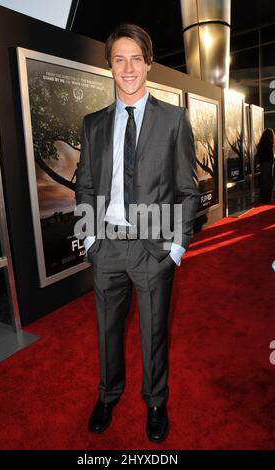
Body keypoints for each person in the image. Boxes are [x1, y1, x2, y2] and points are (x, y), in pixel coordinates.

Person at [75, 23, 199, 442]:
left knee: (154, 333)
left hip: (154, 248)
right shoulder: (92, 124)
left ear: (148, 63)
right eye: (118, 59)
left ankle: (156, 402)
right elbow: (85, 188)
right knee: (106, 330)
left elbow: (187, 189)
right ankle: (107, 395)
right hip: (106, 246)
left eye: (135, 58)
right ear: (109, 66)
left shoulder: (174, 120)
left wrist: (177, 248)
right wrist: (90, 241)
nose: (128, 68)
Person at [257, 128, 275, 204]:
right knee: (268, 181)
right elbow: (271, 155)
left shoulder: (260, 144)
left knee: (264, 181)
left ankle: (262, 198)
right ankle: (267, 199)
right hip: (268, 164)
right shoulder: (270, 144)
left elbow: (258, 155)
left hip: (262, 163)